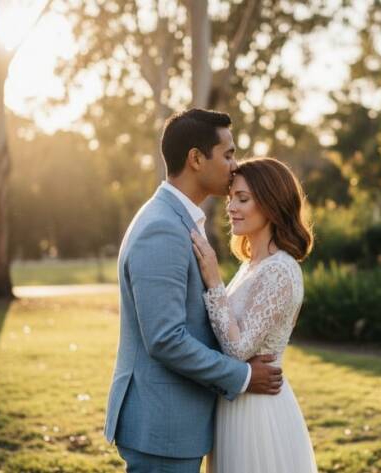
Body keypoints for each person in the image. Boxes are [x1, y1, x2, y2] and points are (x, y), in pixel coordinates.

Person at [103, 109, 283, 473]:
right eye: (228, 154)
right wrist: (244, 377)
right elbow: (166, 338)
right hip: (162, 426)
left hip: (174, 423)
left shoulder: (177, 219)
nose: (235, 165)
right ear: (196, 159)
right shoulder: (163, 229)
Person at [190, 157, 318, 473]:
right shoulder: (251, 266)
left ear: (272, 204)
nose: (231, 207)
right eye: (231, 197)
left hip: (258, 411)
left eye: (243, 199)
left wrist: (213, 281)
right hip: (236, 402)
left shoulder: (280, 269)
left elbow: (237, 348)